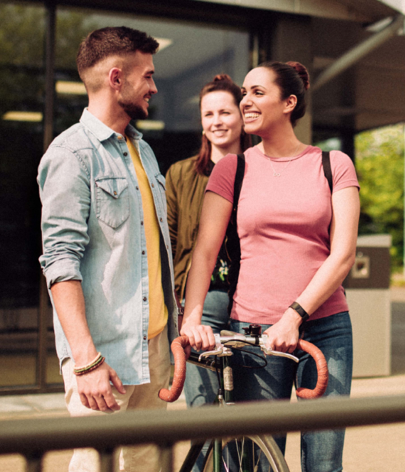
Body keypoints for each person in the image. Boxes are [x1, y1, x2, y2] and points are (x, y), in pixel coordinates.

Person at [181, 61, 360, 472]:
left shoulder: (334, 164)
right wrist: (191, 318)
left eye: (257, 93)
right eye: (244, 92)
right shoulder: (233, 168)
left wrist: (295, 316)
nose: (245, 101)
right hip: (255, 332)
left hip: (326, 328)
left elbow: (343, 254)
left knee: (325, 461)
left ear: (289, 102)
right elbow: (204, 253)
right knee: (260, 463)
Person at [37, 26, 178, 472]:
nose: (154, 87)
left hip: (152, 349)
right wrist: (85, 359)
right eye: (148, 76)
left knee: (146, 466)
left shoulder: (144, 151)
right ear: (117, 78)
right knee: (95, 465)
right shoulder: (71, 155)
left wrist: (171, 339)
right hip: (104, 356)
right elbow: (60, 261)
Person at [164, 74, 250, 471]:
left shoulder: (259, 169)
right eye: (208, 113)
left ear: (241, 116)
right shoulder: (181, 174)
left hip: (252, 301)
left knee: (248, 414)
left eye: (225, 112)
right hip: (200, 301)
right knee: (205, 412)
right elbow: (169, 243)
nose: (217, 121)